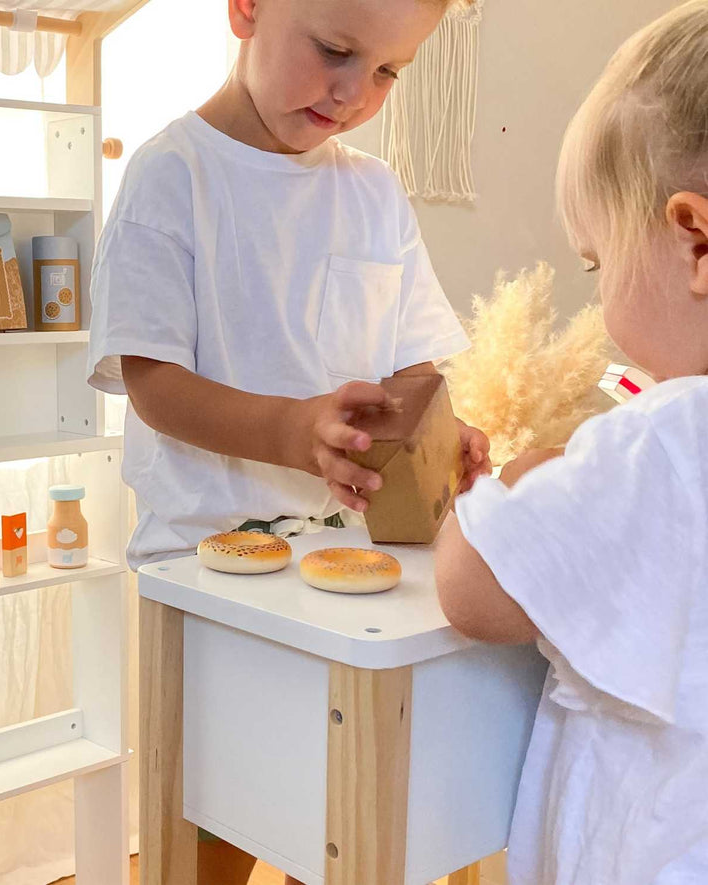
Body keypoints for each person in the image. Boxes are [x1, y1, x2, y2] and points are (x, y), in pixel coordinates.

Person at [86, 0, 489, 881]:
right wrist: (290, 429)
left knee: (338, 810)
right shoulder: (173, 175)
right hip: (209, 566)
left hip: (350, 562)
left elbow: (412, 369)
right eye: (336, 50)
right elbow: (154, 383)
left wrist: (444, 432)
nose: (353, 93)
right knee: (219, 818)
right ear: (247, 9)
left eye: (388, 72)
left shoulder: (374, 191)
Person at [435, 3, 708, 882]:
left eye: (596, 262)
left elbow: (473, 590)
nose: (597, 297)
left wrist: (507, 481)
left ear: (694, 241)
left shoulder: (663, 438)